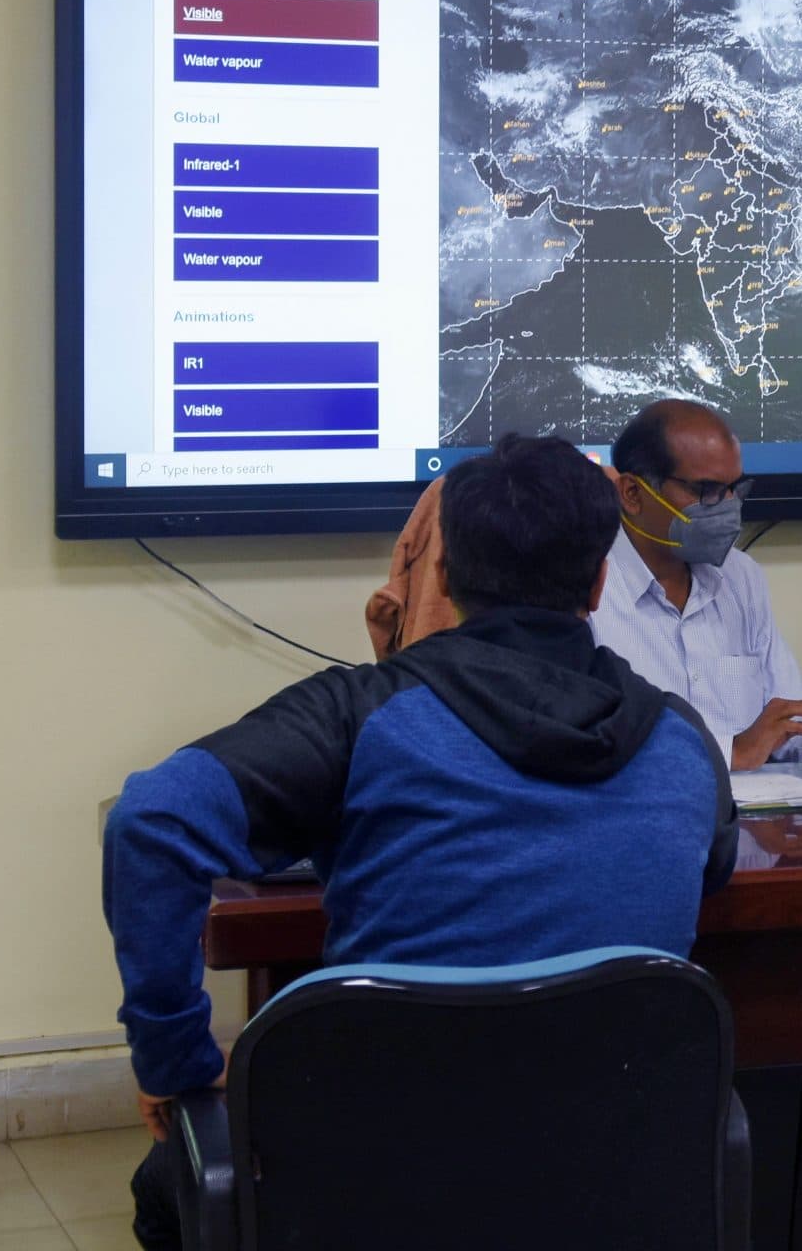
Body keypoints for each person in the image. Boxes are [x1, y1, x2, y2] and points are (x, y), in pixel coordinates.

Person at [105, 434, 739, 1251]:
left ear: (440, 574)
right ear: (598, 581)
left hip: (374, 1174)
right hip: (609, 1173)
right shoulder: (683, 738)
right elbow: (712, 867)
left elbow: (150, 821)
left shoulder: (359, 714)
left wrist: (174, 1060)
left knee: (167, 1185)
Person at [593, 399, 802, 770]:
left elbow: (785, 715)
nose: (726, 506)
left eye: (733, 489)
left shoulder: (740, 577)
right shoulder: (584, 584)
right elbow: (589, 747)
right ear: (632, 493)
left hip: (757, 819)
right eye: (706, 490)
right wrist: (732, 751)